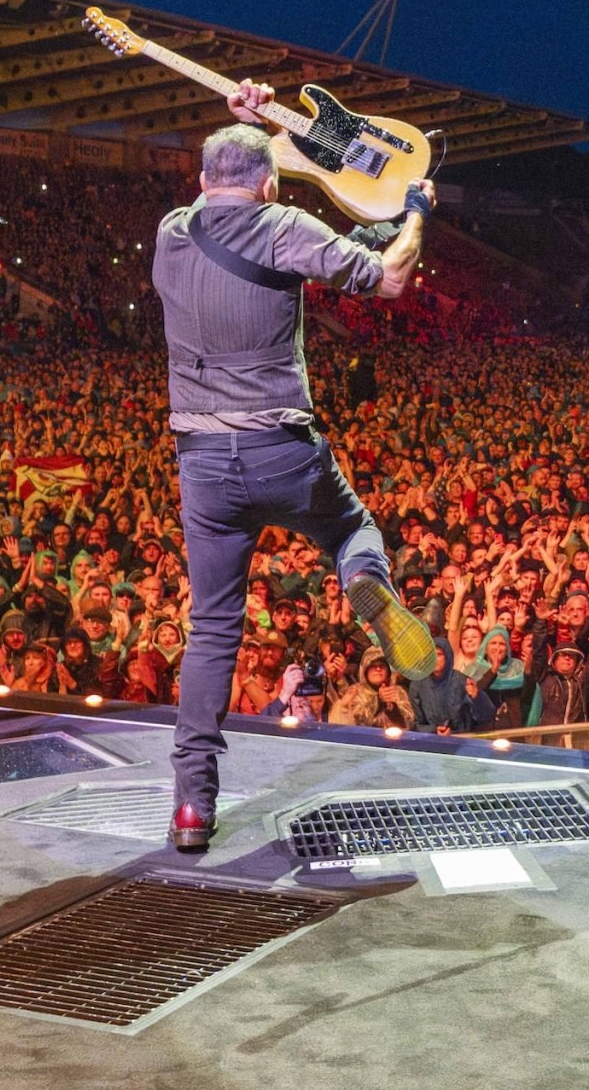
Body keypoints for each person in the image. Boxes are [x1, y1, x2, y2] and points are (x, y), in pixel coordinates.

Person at [151, 112, 437, 852]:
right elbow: (392, 277)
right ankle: (365, 580)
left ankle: (191, 805)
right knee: (350, 529)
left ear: (202, 180)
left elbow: (247, 174)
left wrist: (257, 122)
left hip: (203, 462)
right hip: (281, 446)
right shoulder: (281, 224)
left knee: (212, 628)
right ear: (270, 183)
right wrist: (416, 215)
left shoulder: (171, 231)